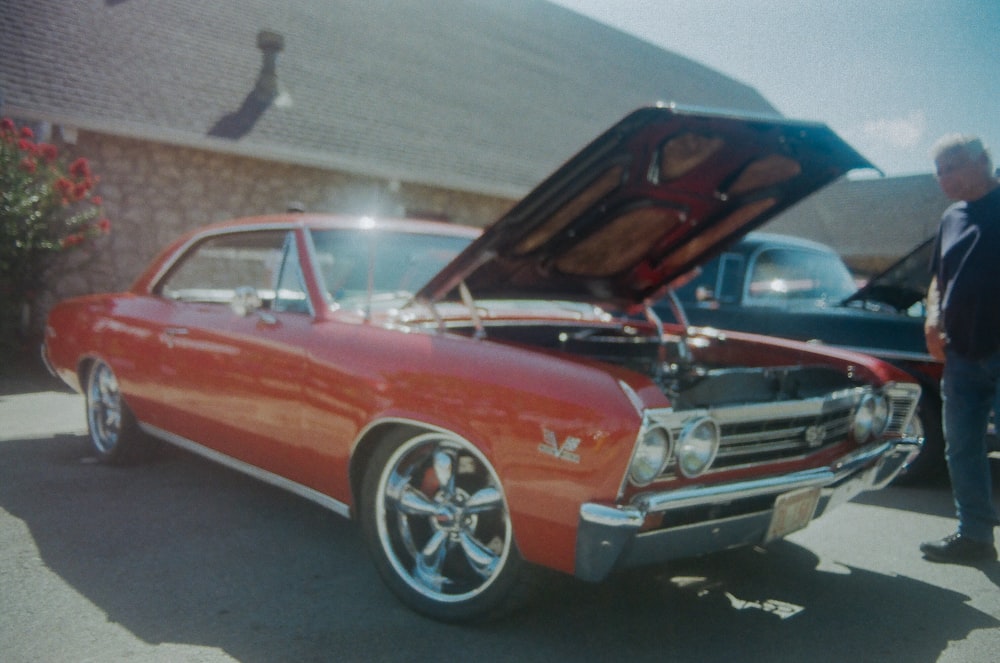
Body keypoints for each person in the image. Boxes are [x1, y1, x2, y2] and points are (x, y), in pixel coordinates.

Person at [920, 134, 1000, 563]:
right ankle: (975, 537)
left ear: (984, 161)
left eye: (953, 167)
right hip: (961, 355)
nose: (944, 178)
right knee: (962, 446)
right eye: (939, 172)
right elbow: (939, 279)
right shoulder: (951, 218)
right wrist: (933, 319)